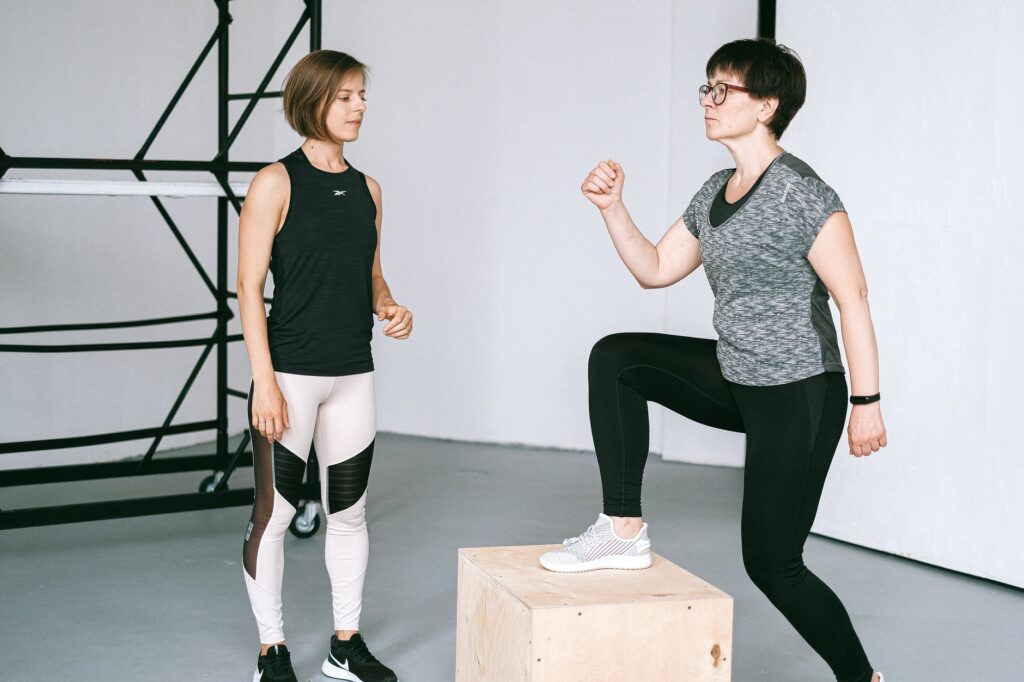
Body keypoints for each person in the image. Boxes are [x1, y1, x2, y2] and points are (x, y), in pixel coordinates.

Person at [539, 39, 886, 682]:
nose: (708, 99)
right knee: (616, 359)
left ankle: (861, 678)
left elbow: (853, 298)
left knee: (772, 562)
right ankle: (622, 529)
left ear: (767, 106)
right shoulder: (715, 190)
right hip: (737, 375)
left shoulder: (802, 193)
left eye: (724, 89)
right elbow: (656, 269)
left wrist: (866, 404)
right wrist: (613, 210)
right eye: (707, 86)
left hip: (799, 390)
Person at [237, 50, 409, 682]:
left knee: (351, 513)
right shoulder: (275, 182)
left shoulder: (368, 190)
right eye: (345, 97)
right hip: (292, 374)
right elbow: (248, 288)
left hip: (352, 371)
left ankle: (345, 645)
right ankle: (272, 650)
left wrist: (390, 306)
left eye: (362, 95)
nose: (359, 106)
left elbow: (370, 275)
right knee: (275, 516)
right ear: (312, 101)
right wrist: (265, 380)